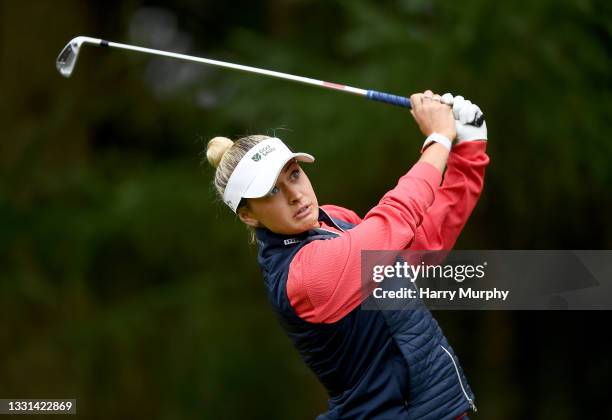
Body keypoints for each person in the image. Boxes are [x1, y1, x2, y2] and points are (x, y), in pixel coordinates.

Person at [205, 90, 489, 419]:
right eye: (271, 192)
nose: (296, 195)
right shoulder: (303, 277)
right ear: (249, 216)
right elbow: (395, 220)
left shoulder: (332, 220)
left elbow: (418, 243)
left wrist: (468, 150)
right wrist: (439, 140)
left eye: (294, 174)